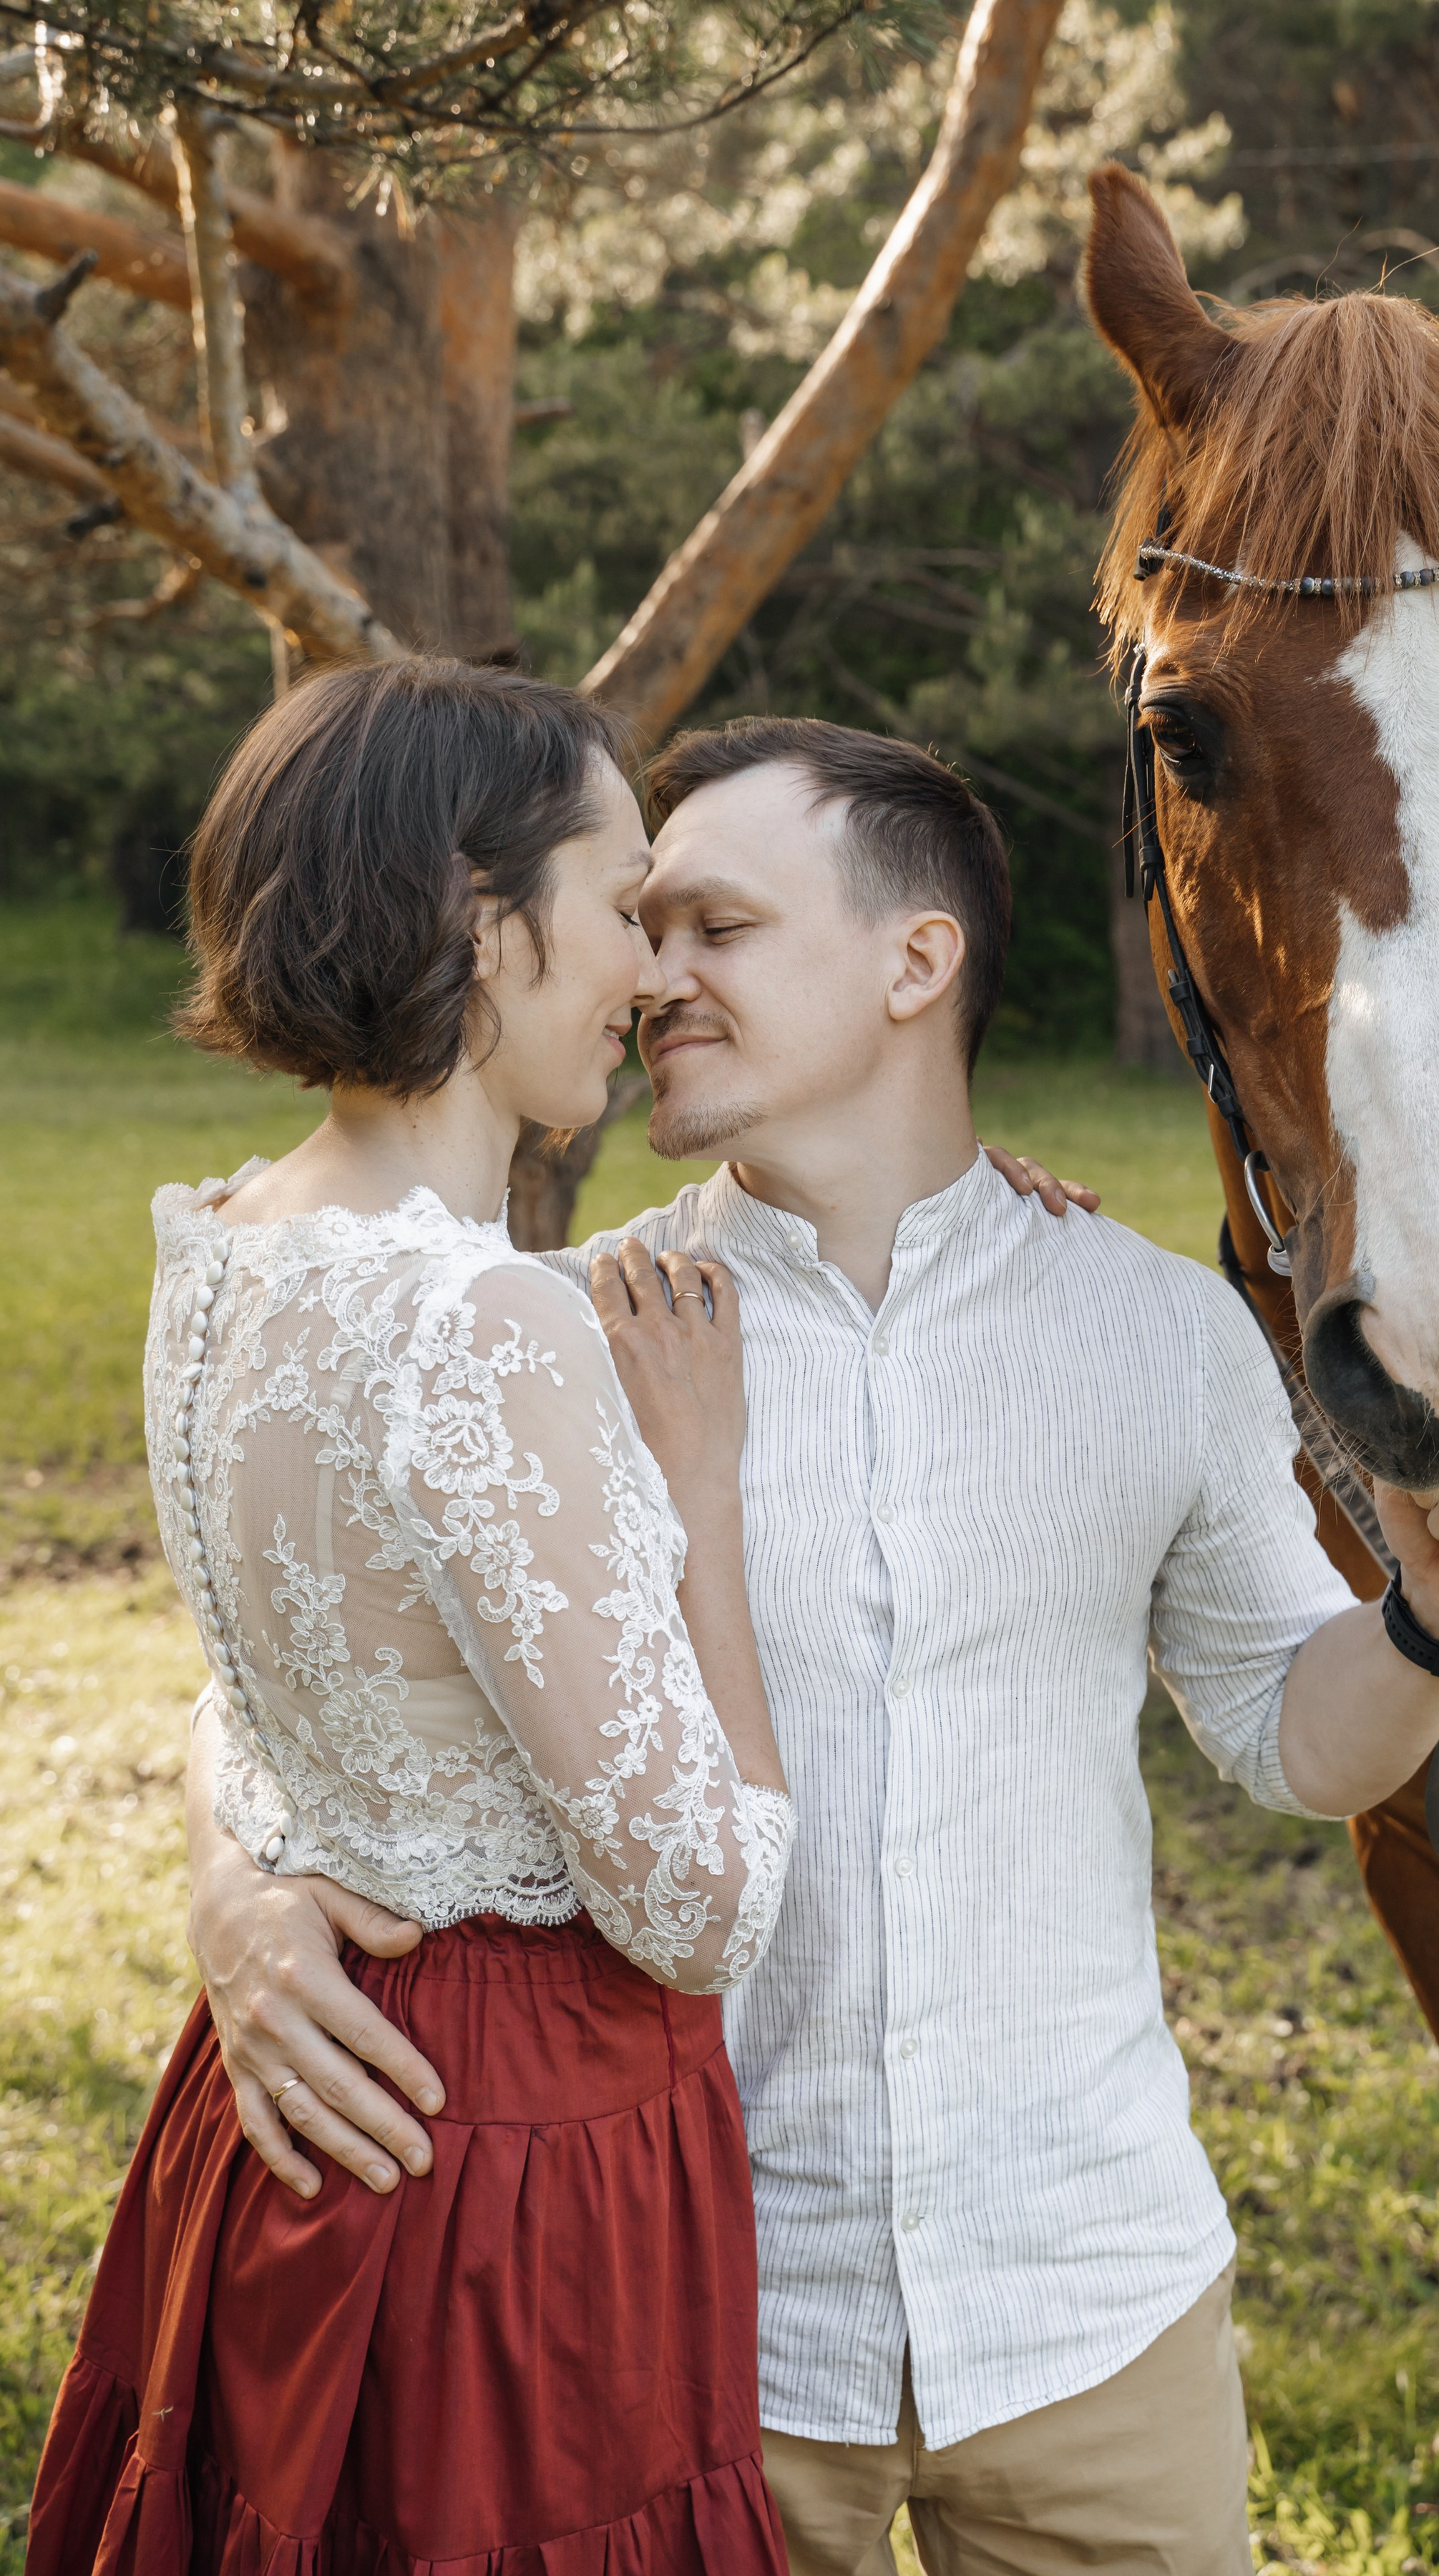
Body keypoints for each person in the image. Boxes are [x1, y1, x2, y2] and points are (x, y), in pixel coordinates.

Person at [180, 717, 1439, 2576]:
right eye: (643, 923)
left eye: (719, 927)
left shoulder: (1153, 1332)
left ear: (917, 961)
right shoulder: (568, 1334)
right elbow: (299, 1671)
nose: (654, 974)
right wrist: (235, 1888)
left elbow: (1289, 1734)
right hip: (694, 2314)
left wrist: (1437, 1617)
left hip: (1095, 2304)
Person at [27, 662, 800, 2575]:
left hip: (297, 2091)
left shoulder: (226, 1245)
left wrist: (237, 1881)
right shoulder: (485, 1321)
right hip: (500, 2148)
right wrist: (701, 1498)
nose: (651, 974)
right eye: (621, 906)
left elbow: (266, 1685)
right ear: (479, 911)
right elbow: (698, 1906)